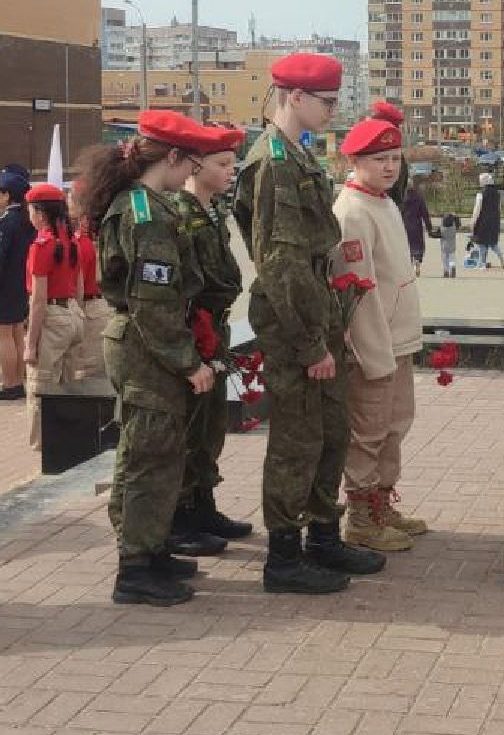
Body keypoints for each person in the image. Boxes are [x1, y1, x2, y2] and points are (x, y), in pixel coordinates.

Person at [237, 51, 386, 594]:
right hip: (292, 324)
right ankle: (283, 557)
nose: (333, 110)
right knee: (296, 440)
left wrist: (331, 326)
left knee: (329, 432)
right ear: (294, 97)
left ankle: (323, 537)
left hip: (316, 315)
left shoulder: (296, 157)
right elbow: (278, 264)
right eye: (326, 102)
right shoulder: (273, 163)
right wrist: (308, 345)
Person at [77, 111, 232, 606]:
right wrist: (190, 363)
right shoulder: (147, 213)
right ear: (172, 157)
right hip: (148, 348)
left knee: (152, 452)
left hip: (144, 343)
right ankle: (137, 569)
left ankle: (151, 550)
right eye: (188, 161)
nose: (190, 171)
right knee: (152, 457)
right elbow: (156, 302)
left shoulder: (142, 204)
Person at [332, 109, 427, 553]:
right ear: (355, 162)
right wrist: (373, 356)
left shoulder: (383, 200)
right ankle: (362, 519)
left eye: (395, 157)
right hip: (375, 348)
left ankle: (383, 505)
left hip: (398, 340)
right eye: (379, 158)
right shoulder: (352, 212)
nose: (390, 166)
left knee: (394, 427)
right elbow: (359, 293)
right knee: (367, 434)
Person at [172, 127, 251, 550]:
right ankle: (181, 516)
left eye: (231, 163)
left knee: (210, 426)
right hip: (192, 329)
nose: (229, 171)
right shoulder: (181, 213)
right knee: (189, 428)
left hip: (213, 328)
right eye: (221, 164)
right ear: (195, 165)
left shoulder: (213, 210)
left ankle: (203, 503)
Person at [23, 181, 86, 446]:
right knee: (68, 386)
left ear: (39, 213)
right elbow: (80, 285)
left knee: (41, 388)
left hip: (52, 316)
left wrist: (30, 343)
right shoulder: (71, 241)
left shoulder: (41, 245)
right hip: (73, 312)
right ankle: (68, 442)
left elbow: (38, 300)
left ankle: (43, 448)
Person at [0, 171, 35, 400]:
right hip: (22, 284)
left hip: (4, 285)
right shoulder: (27, 220)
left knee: (4, 335)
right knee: (16, 334)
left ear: (6, 196)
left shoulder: (4, 223)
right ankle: (19, 379)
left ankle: (9, 383)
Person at [68, 187, 112, 394]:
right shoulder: (95, 238)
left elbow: (81, 284)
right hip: (101, 304)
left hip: (90, 306)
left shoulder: (81, 243)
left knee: (90, 371)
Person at [468, 172, 504, 269]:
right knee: (493, 242)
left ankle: (482, 263)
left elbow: (477, 210)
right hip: (495, 221)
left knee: (482, 243)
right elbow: (499, 208)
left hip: (483, 222)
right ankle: (502, 255)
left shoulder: (481, 194)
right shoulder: (497, 194)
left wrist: (472, 222)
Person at [400, 176, 434, 275]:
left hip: (404, 225)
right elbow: (425, 213)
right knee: (418, 245)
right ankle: (417, 262)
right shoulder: (419, 197)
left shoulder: (402, 198)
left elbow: (397, 213)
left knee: (406, 246)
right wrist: (429, 228)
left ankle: (409, 266)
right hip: (416, 225)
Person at [439, 211, 461, 278]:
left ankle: (446, 271)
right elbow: (458, 224)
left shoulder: (441, 229)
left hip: (444, 247)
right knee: (452, 258)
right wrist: (455, 216)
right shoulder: (453, 228)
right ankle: (452, 267)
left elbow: (435, 234)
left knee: (444, 260)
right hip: (452, 247)